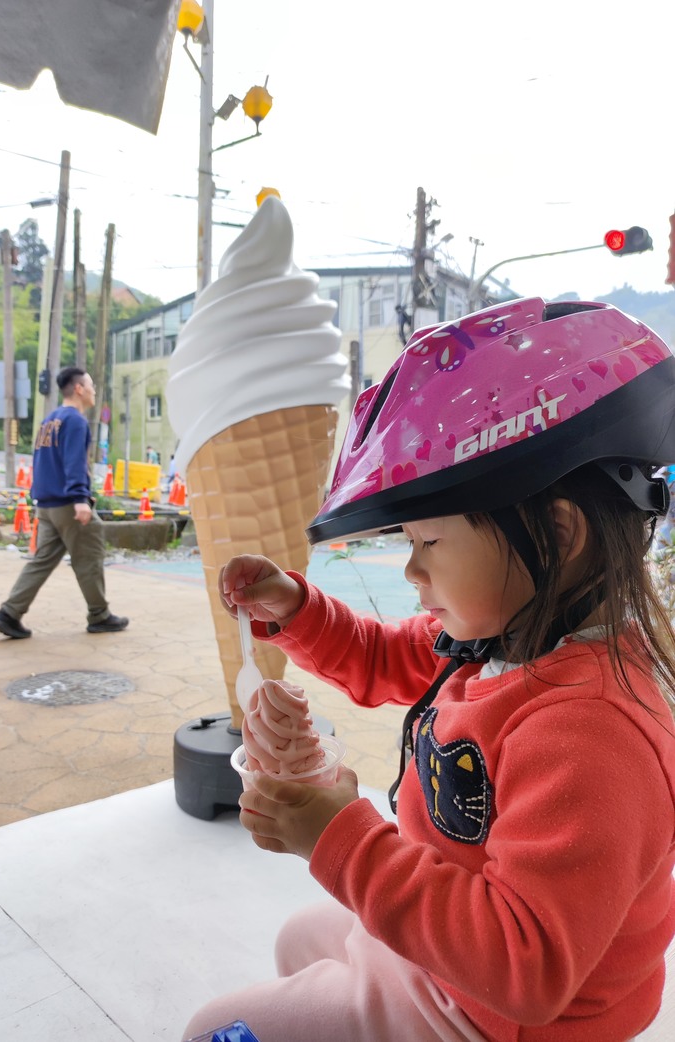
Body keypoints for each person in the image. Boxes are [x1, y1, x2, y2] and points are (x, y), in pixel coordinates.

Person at [183, 299, 675, 1042]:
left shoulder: (593, 733)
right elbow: (381, 656)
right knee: (298, 940)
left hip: (494, 1013)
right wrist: (294, 607)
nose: (410, 569)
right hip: (459, 938)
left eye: (430, 542)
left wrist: (336, 837)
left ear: (558, 533)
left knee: (211, 1032)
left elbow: (524, 963)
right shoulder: (501, 638)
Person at [0, 366, 128, 638]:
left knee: (41, 561)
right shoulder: (75, 422)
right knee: (89, 556)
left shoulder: (49, 420)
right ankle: (99, 615)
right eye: (91, 385)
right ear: (79, 389)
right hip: (68, 503)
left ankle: (8, 613)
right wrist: (80, 499)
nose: (94, 391)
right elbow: (74, 462)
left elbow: (41, 462)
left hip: (46, 504)